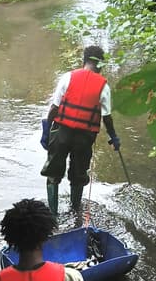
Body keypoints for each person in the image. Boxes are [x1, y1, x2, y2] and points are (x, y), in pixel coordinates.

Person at [40, 44, 121, 216]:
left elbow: (54, 108)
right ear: (100, 65)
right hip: (84, 137)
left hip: (61, 132)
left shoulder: (68, 77)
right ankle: (75, 212)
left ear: (83, 61)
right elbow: (106, 117)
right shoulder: (104, 87)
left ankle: (53, 215)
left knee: (53, 172)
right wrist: (113, 136)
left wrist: (46, 131)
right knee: (78, 174)